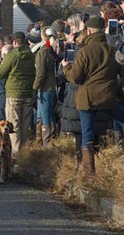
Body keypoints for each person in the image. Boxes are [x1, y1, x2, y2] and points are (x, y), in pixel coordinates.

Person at [62, 16, 124, 181]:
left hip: (88, 100)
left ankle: (90, 178)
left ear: (88, 31)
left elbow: (75, 78)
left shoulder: (84, 51)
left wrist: (66, 68)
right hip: (109, 98)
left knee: (87, 138)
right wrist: (118, 92)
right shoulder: (113, 50)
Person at [0, 32, 36, 159]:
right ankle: (23, 154)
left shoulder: (12, 55)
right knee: (24, 125)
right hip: (28, 93)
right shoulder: (32, 55)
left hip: (13, 93)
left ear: (15, 42)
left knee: (14, 125)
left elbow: (1, 74)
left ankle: (16, 156)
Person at [33, 27, 58, 148]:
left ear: (43, 37)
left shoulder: (42, 53)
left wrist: (34, 87)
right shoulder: (52, 51)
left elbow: (40, 73)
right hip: (53, 87)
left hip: (45, 88)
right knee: (49, 113)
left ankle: (47, 141)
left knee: (45, 115)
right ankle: (51, 137)